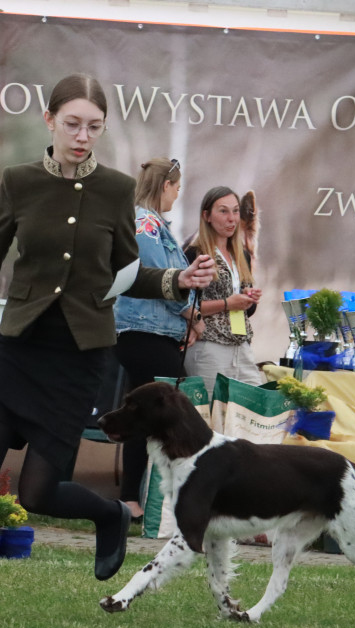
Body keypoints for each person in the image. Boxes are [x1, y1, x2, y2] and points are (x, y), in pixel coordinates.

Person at [0, 74, 215, 625]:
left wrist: (176, 281)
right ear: (49, 121)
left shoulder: (117, 189)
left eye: (93, 127)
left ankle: (110, 515)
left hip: (78, 356)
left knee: (40, 493)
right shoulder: (19, 181)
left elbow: (126, 271)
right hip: (20, 346)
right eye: (72, 124)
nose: (82, 136)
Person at [113, 157, 203, 520]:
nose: (177, 196)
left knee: (144, 416)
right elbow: (157, 278)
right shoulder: (146, 225)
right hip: (145, 332)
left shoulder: (149, 224)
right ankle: (158, 502)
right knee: (174, 411)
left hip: (147, 332)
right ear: (165, 186)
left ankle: (133, 500)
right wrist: (191, 316)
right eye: (177, 188)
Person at [183, 186, 264, 395]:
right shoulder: (195, 253)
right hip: (208, 345)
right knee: (210, 416)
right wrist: (228, 303)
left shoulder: (241, 254)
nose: (232, 219)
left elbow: (245, 309)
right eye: (223, 211)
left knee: (252, 407)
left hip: (241, 343)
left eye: (236, 211)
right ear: (206, 216)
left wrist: (249, 300)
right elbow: (184, 306)